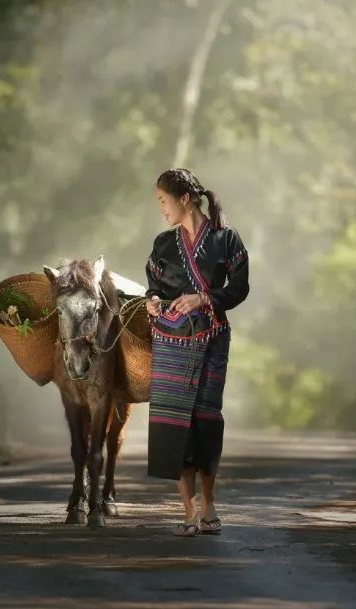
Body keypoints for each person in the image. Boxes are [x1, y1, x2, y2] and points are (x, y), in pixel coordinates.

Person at [144, 167, 250, 537]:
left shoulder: (227, 240)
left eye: (163, 201)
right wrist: (153, 303)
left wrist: (204, 297)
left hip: (212, 339)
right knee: (174, 422)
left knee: (206, 419)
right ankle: (187, 510)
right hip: (170, 341)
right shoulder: (162, 244)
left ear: (184, 199)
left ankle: (208, 504)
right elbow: (152, 288)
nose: (161, 208)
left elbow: (239, 287)